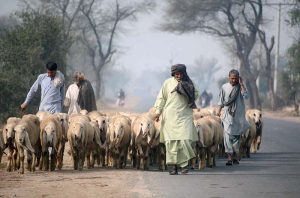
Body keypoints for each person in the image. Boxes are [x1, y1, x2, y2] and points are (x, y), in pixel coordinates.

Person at [154, 64, 198, 175]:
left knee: (185, 140)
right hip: (170, 116)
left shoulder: (190, 83)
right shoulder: (167, 83)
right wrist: (158, 112)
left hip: (185, 115)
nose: (178, 75)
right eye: (176, 74)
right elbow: (161, 98)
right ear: (173, 74)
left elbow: (196, 95)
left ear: (184, 73)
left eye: (180, 73)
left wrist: (187, 90)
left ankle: (184, 165)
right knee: (171, 142)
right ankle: (172, 165)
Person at [216, 69, 250, 166]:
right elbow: (221, 100)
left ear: (238, 78)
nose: (234, 80)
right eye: (232, 78)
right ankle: (229, 157)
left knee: (236, 137)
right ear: (229, 77)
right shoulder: (224, 87)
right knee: (227, 137)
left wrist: (242, 84)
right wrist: (218, 111)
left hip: (238, 116)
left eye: (236, 79)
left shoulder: (240, 88)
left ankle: (235, 155)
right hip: (227, 115)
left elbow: (246, 97)